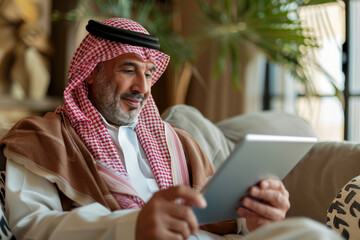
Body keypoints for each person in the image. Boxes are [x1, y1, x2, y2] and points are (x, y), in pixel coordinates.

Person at [0, 18, 341, 240]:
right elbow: (33, 226)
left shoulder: (179, 142)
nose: (143, 88)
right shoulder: (42, 138)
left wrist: (255, 220)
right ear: (90, 71)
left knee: (309, 234)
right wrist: (133, 227)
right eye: (128, 70)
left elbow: (214, 218)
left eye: (148, 74)